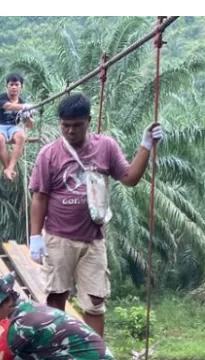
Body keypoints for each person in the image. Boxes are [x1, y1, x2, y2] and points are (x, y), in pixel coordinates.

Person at [27, 93, 164, 337]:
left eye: (77, 125)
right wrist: (35, 236)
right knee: (56, 298)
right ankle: (57, 351)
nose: (70, 131)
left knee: (95, 301)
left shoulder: (106, 147)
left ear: (89, 121)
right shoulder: (49, 154)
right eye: (65, 126)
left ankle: (94, 359)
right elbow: (40, 197)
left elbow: (130, 178)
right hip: (59, 238)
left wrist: (146, 146)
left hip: (93, 240)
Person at [0, 73, 35, 181]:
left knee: (21, 136)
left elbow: (30, 125)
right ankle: (7, 169)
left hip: (13, 127)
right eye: (11, 84)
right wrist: (25, 107)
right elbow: (8, 106)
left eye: (16, 84)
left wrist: (27, 117)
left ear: (21, 87)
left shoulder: (23, 103)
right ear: (7, 86)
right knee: (0, 139)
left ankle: (10, 168)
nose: (14, 87)